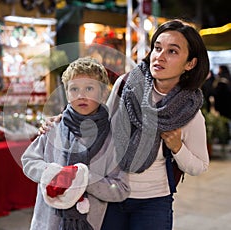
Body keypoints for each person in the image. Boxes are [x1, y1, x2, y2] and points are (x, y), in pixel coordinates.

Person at [39, 19, 210, 230]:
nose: (160, 56)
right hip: (110, 193)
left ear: (190, 63)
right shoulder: (126, 85)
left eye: (172, 51)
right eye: (157, 48)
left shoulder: (188, 112)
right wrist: (64, 119)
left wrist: (177, 148)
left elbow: (199, 166)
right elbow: (100, 120)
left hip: (153, 202)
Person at [21, 57, 130, 230]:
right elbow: (28, 161)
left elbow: (121, 189)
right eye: (74, 89)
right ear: (66, 93)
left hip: (90, 224)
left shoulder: (113, 138)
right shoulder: (54, 128)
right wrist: (54, 174)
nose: (81, 95)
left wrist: (82, 179)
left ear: (103, 93)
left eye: (89, 88)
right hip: (48, 223)